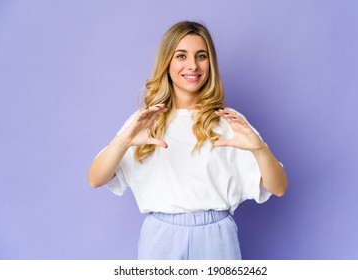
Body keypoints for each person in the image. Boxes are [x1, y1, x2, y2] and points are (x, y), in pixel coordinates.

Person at [88, 21, 287, 260]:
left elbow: (279, 187)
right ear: (167, 63)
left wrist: (259, 149)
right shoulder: (145, 122)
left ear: (210, 63)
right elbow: (95, 179)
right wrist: (122, 143)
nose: (192, 65)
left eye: (201, 56)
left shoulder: (229, 122)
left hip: (217, 236)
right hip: (161, 236)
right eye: (181, 56)